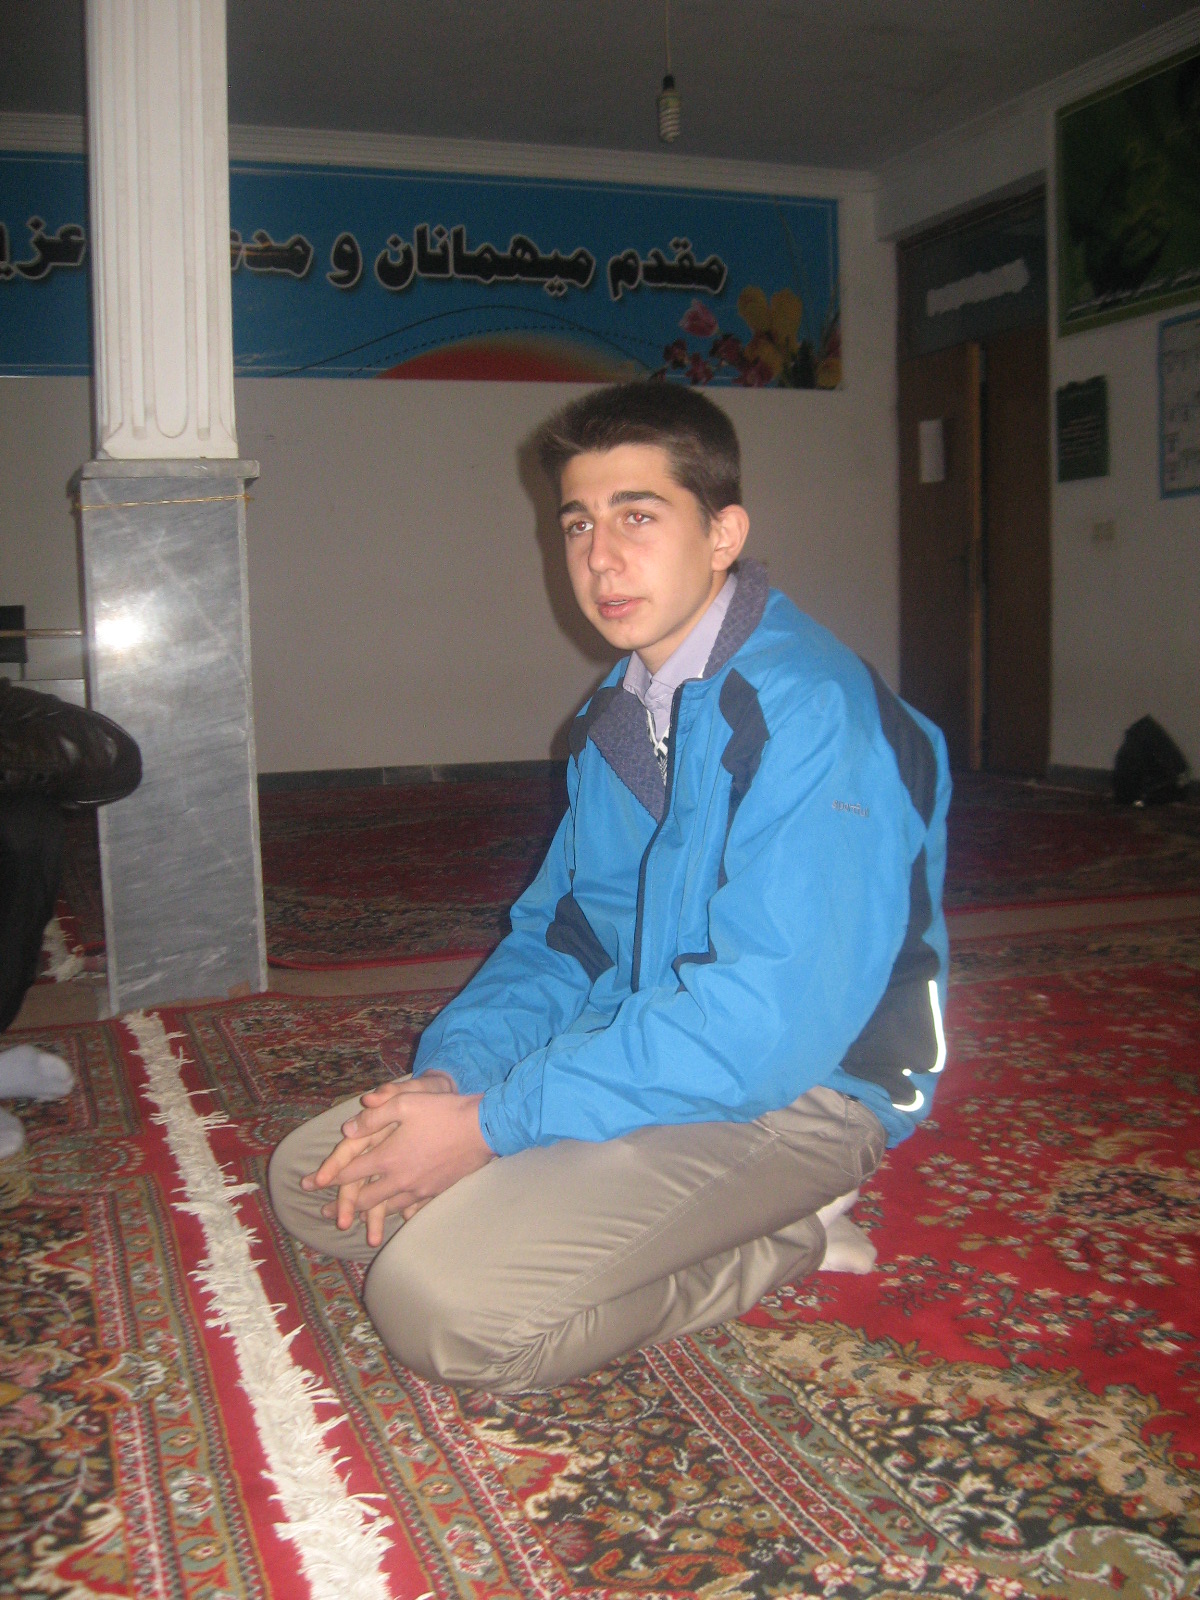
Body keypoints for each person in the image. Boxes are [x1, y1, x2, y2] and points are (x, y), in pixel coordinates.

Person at [269, 381, 951, 1393]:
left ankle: (793, 1234)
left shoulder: (812, 714)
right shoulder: (620, 715)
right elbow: (564, 938)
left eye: (638, 516)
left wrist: (494, 1127)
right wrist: (457, 1077)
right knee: (312, 1182)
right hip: (651, 1046)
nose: (599, 558)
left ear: (723, 535)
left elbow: (763, 1027)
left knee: (438, 1310)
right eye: (578, 523)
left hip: (809, 1090)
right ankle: (562, 1183)